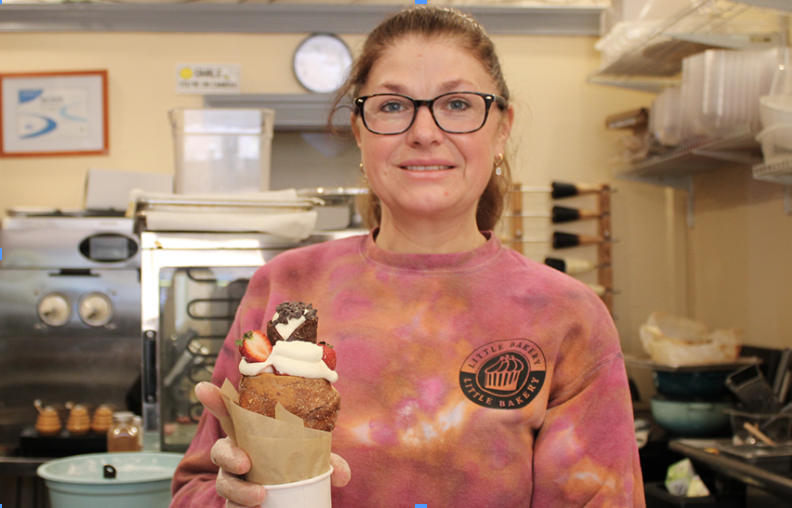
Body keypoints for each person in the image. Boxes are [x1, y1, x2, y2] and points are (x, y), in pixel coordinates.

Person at [170, 5, 645, 508]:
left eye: (458, 104)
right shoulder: (285, 287)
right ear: (360, 130)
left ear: (501, 128)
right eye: (393, 106)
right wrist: (233, 499)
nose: (423, 131)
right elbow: (194, 490)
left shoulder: (566, 314)